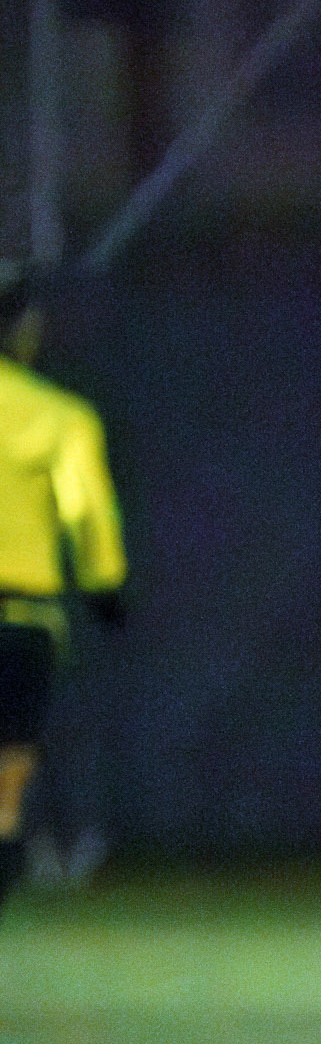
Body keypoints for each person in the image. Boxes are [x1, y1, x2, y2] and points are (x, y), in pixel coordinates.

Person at [0, 268, 127, 915]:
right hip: (23, 614)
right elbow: (87, 513)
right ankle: (4, 840)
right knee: (13, 743)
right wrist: (106, 587)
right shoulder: (58, 417)